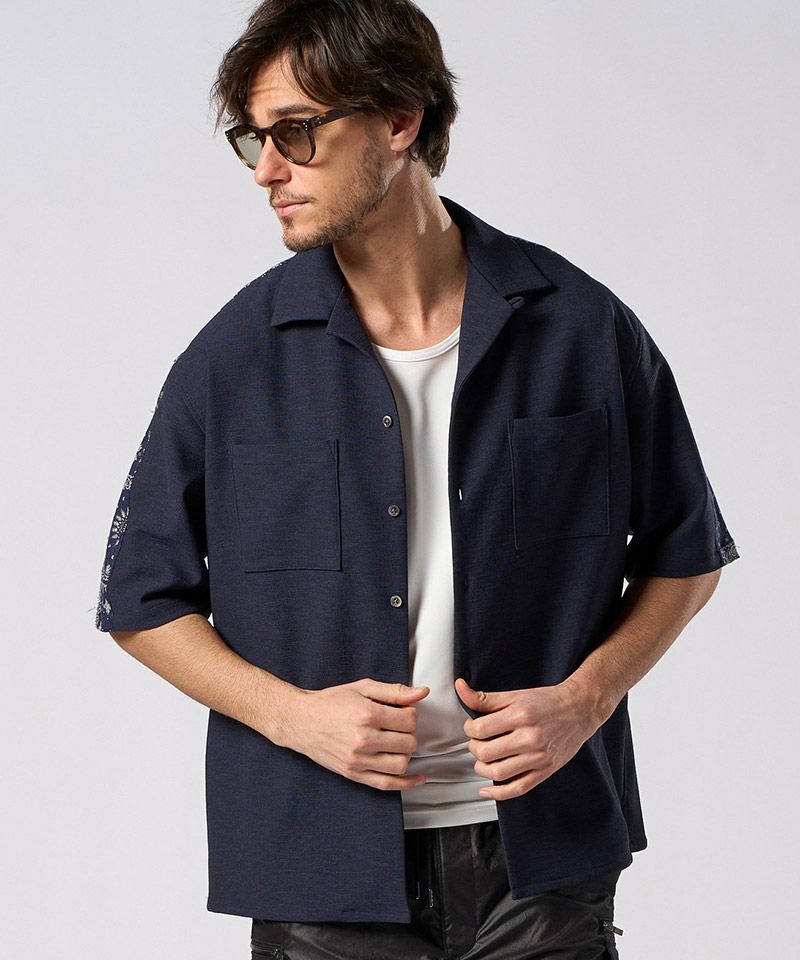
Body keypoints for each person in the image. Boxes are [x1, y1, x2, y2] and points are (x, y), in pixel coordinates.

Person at [94, 1, 741, 957]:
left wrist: (587, 698)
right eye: (254, 140)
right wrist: (294, 718)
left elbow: (688, 552)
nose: (267, 170)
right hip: (320, 867)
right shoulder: (233, 360)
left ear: (400, 120)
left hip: (543, 858)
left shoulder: (581, 328)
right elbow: (139, 599)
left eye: (295, 132)